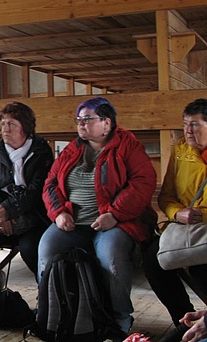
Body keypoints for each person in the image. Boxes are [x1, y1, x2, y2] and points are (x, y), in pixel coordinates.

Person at [39, 96, 157, 335]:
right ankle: (51, 313)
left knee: (111, 257)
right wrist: (59, 212)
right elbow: (50, 184)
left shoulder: (127, 146)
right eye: (78, 120)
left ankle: (120, 317)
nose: (81, 124)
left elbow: (143, 183)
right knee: (47, 249)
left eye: (88, 119)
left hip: (114, 222)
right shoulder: (72, 149)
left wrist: (114, 214)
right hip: (73, 221)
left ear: (107, 123)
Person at [0, 102, 53, 294]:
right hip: (1, 214)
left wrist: (9, 210)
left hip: (32, 216)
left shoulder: (41, 151)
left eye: (11, 124)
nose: (5, 129)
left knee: (31, 250)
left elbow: (37, 189)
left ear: (25, 127)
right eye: (3, 123)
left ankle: (48, 297)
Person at [141, 98, 207, 333]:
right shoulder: (181, 150)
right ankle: (183, 320)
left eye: (195, 124)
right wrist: (177, 212)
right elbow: (166, 195)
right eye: (185, 124)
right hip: (184, 224)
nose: (188, 130)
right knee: (153, 260)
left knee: (199, 268)